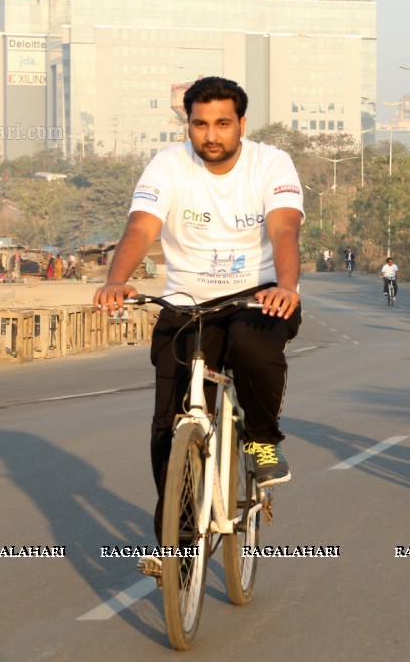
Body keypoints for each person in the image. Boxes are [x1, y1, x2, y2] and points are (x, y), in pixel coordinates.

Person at [93, 76, 304, 540]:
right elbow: (141, 227)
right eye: (200, 124)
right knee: (168, 427)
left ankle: (263, 440)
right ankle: (180, 542)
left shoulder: (271, 164)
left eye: (223, 123)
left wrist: (286, 286)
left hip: (258, 296)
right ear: (187, 124)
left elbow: (284, 229)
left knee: (251, 348)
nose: (211, 135)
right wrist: (117, 279)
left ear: (241, 124)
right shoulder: (167, 165)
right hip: (187, 303)